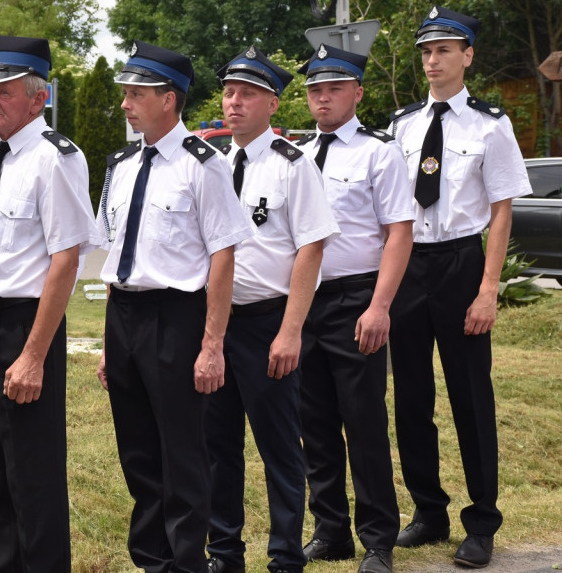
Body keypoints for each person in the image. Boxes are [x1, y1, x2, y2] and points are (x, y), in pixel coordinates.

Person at [95, 42, 252, 573]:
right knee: (137, 449)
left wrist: (212, 345)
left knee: (183, 451)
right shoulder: (120, 165)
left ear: (168, 100)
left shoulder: (202, 166)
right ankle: (151, 559)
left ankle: (188, 561)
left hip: (177, 318)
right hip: (126, 318)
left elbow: (223, 258)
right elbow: (119, 254)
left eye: (135, 94)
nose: (125, 105)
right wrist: (107, 342)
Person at [0, 34, 98, 572]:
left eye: (3, 90)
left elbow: (65, 260)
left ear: (39, 97)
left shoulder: (55, 158)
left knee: (31, 476)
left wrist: (33, 355)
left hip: (22, 329)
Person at [387, 6, 531, 569]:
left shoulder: (490, 125)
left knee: (471, 395)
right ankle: (428, 511)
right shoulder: (400, 126)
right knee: (412, 398)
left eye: (444, 50)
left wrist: (489, 287)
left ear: (467, 56)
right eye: (426, 51)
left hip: (460, 265)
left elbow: (501, 212)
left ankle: (482, 521)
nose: (432, 60)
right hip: (408, 267)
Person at [206, 46, 339, 573]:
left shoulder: (292, 166)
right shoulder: (212, 165)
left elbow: (312, 248)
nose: (235, 103)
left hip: (268, 323)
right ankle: (224, 552)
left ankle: (285, 554)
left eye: (248, 94)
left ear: (273, 104)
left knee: (280, 448)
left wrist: (291, 331)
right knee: (217, 445)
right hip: (217, 325)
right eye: (230, 92)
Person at [295, 44, 414, 573]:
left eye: (334, 87)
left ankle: (378, 540)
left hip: (355, 299)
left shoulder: (378, 152)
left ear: (358, 92)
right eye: (315, 89)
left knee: (363, 421)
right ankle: (330, 531)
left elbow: (398, 234)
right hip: (303, 302)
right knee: (313, 422)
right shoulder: (294, 156)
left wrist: (380, 306)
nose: (322, 97)